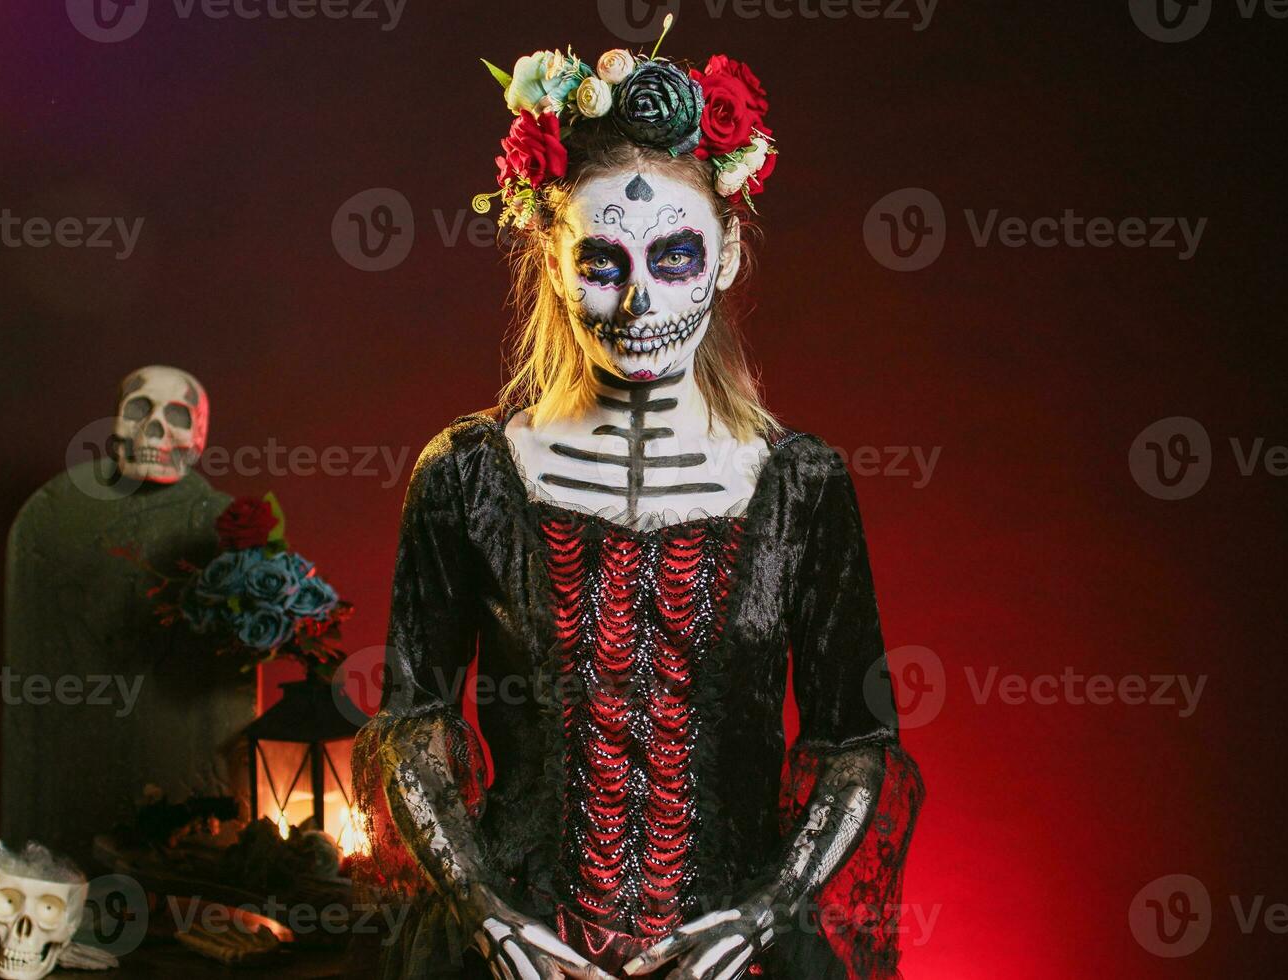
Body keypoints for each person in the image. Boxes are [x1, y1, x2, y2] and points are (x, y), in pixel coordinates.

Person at [351, 33, 922, 980]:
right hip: (517, 957)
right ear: (548, 251)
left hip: (738, 958)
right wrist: (485, 913)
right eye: (603, 262)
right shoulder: (467, 476)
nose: (637, 300)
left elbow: (855, 741)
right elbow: (413, 724)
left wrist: (768, 914)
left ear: (729, 254)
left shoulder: (801, 487)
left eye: (676, 255)